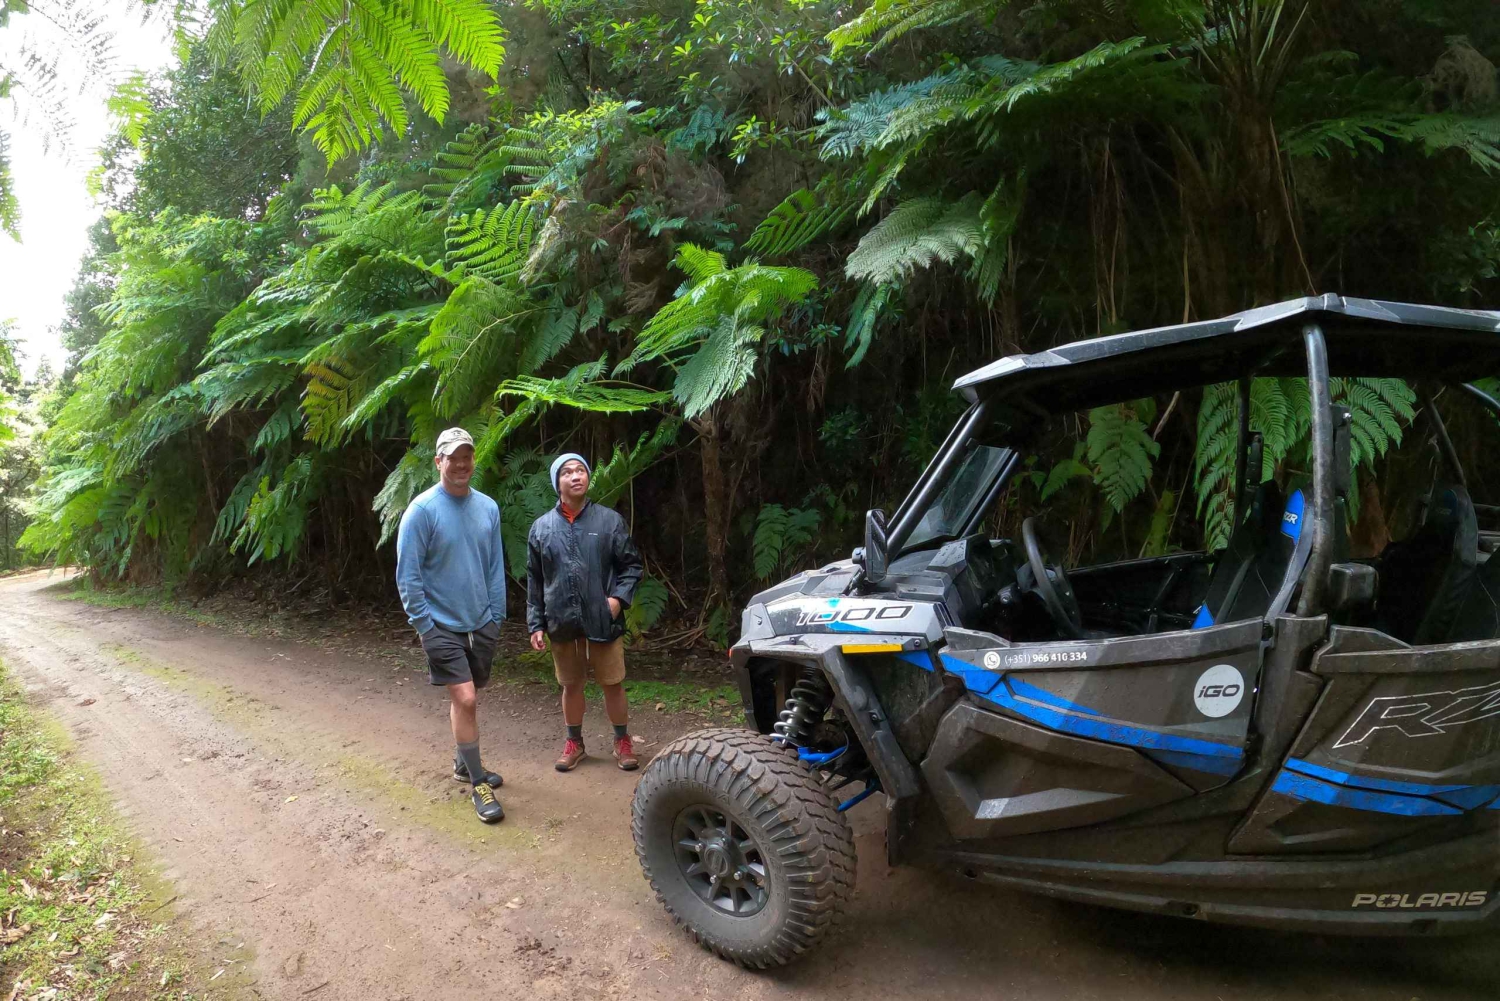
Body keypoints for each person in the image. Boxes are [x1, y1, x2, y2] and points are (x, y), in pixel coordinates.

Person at [395, 427, 507, 824]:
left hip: (481, 621)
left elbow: (495, 565)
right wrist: (424, 625)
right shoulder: (422, 511)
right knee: (466, 699)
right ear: (438, 462)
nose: (461, 464)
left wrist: (497, 615)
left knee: (471, 696)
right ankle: (478, 782)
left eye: (467, 456)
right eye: (452, 457)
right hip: (440, 624)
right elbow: (407, 576)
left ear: (473, 460)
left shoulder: (488, 508)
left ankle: (463, 763)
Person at [527, 453, 644, 772]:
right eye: (567, 472)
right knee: (570, 684)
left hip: (603, 616)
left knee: (613, 682)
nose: (576, 476)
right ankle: (574, 743)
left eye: (581, 470)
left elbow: (631, 566)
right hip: (561, 619)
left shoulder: (609, 521)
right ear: (557, 483)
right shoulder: (541, 528)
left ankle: (622, 741)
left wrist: (617, 600)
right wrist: (536, 623)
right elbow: (535, 579)